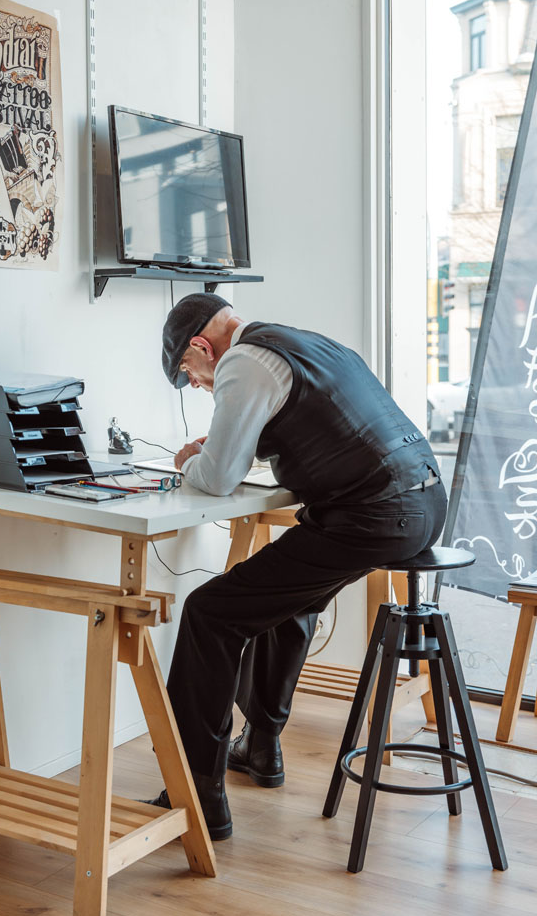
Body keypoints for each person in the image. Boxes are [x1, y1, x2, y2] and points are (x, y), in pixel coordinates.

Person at [151, 293, 446, 840]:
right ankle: (261, 748)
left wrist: (192, 458)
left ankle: (194, 791)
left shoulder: (242, 361)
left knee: (209, 614)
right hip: (422, 504)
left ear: (200, 347)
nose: (195, 383)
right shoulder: (308, 343)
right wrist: (222, 449)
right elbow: (318, 429)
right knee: (290, 598)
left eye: (189, 372)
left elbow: (215, 480)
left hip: (372, 515)